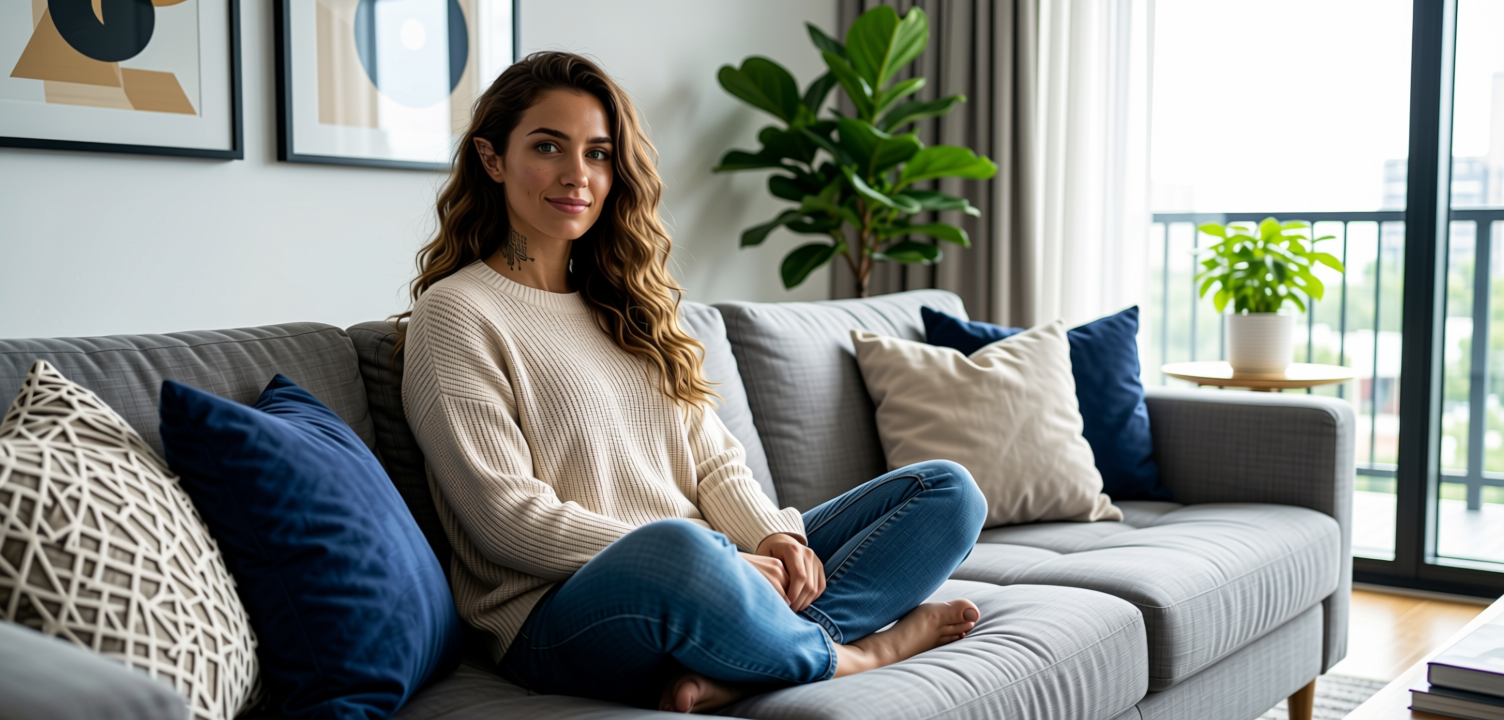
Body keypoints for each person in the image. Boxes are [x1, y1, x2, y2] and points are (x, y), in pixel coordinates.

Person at [398, 51, 987, 714]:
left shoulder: (635, 303)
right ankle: (852, 654)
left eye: (598, 153)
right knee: (677, 546)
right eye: (547, 147)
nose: (577, 176)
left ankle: (745, 663)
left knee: (947, 491)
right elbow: (507, 521)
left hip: (710, 568)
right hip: (558, 614)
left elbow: (714, 463)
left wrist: (773, 540)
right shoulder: (457, 313)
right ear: (492, 159)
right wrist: (718, 562)